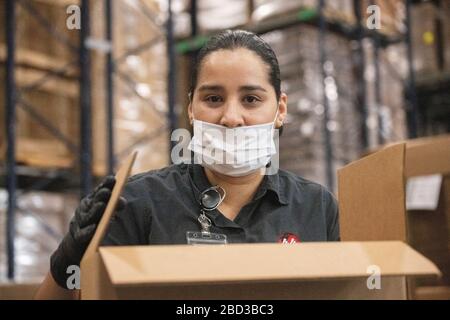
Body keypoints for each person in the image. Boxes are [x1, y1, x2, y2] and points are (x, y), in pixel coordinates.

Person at [35, 29, 339, 299]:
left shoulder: (316, 207)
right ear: (192, 108)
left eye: (251, 99)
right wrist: (67, 259)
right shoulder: (139, 203)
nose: (231, 118)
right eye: (214, 98)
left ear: (280, 109)